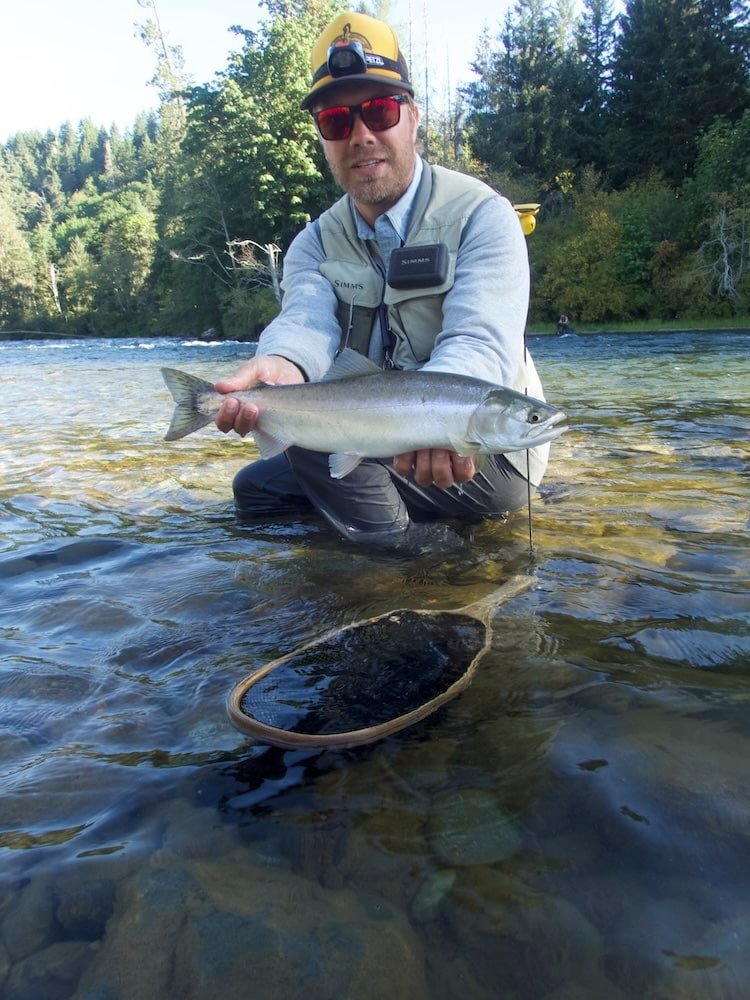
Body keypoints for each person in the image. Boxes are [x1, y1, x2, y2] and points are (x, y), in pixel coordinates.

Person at [214, 11, 551, 548]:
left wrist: (444, 424)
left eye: (379, 110)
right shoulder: (314, 243)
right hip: (377, 434)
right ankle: (364, 551)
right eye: (337, 122)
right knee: (256, 491)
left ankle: (404, 579)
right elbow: (304, 321)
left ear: (412, 116)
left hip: (489, 453)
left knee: (314, 455)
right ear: (324, 138)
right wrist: (279, 366)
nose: (362, 136)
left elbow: (480, 340)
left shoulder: (483, 215)